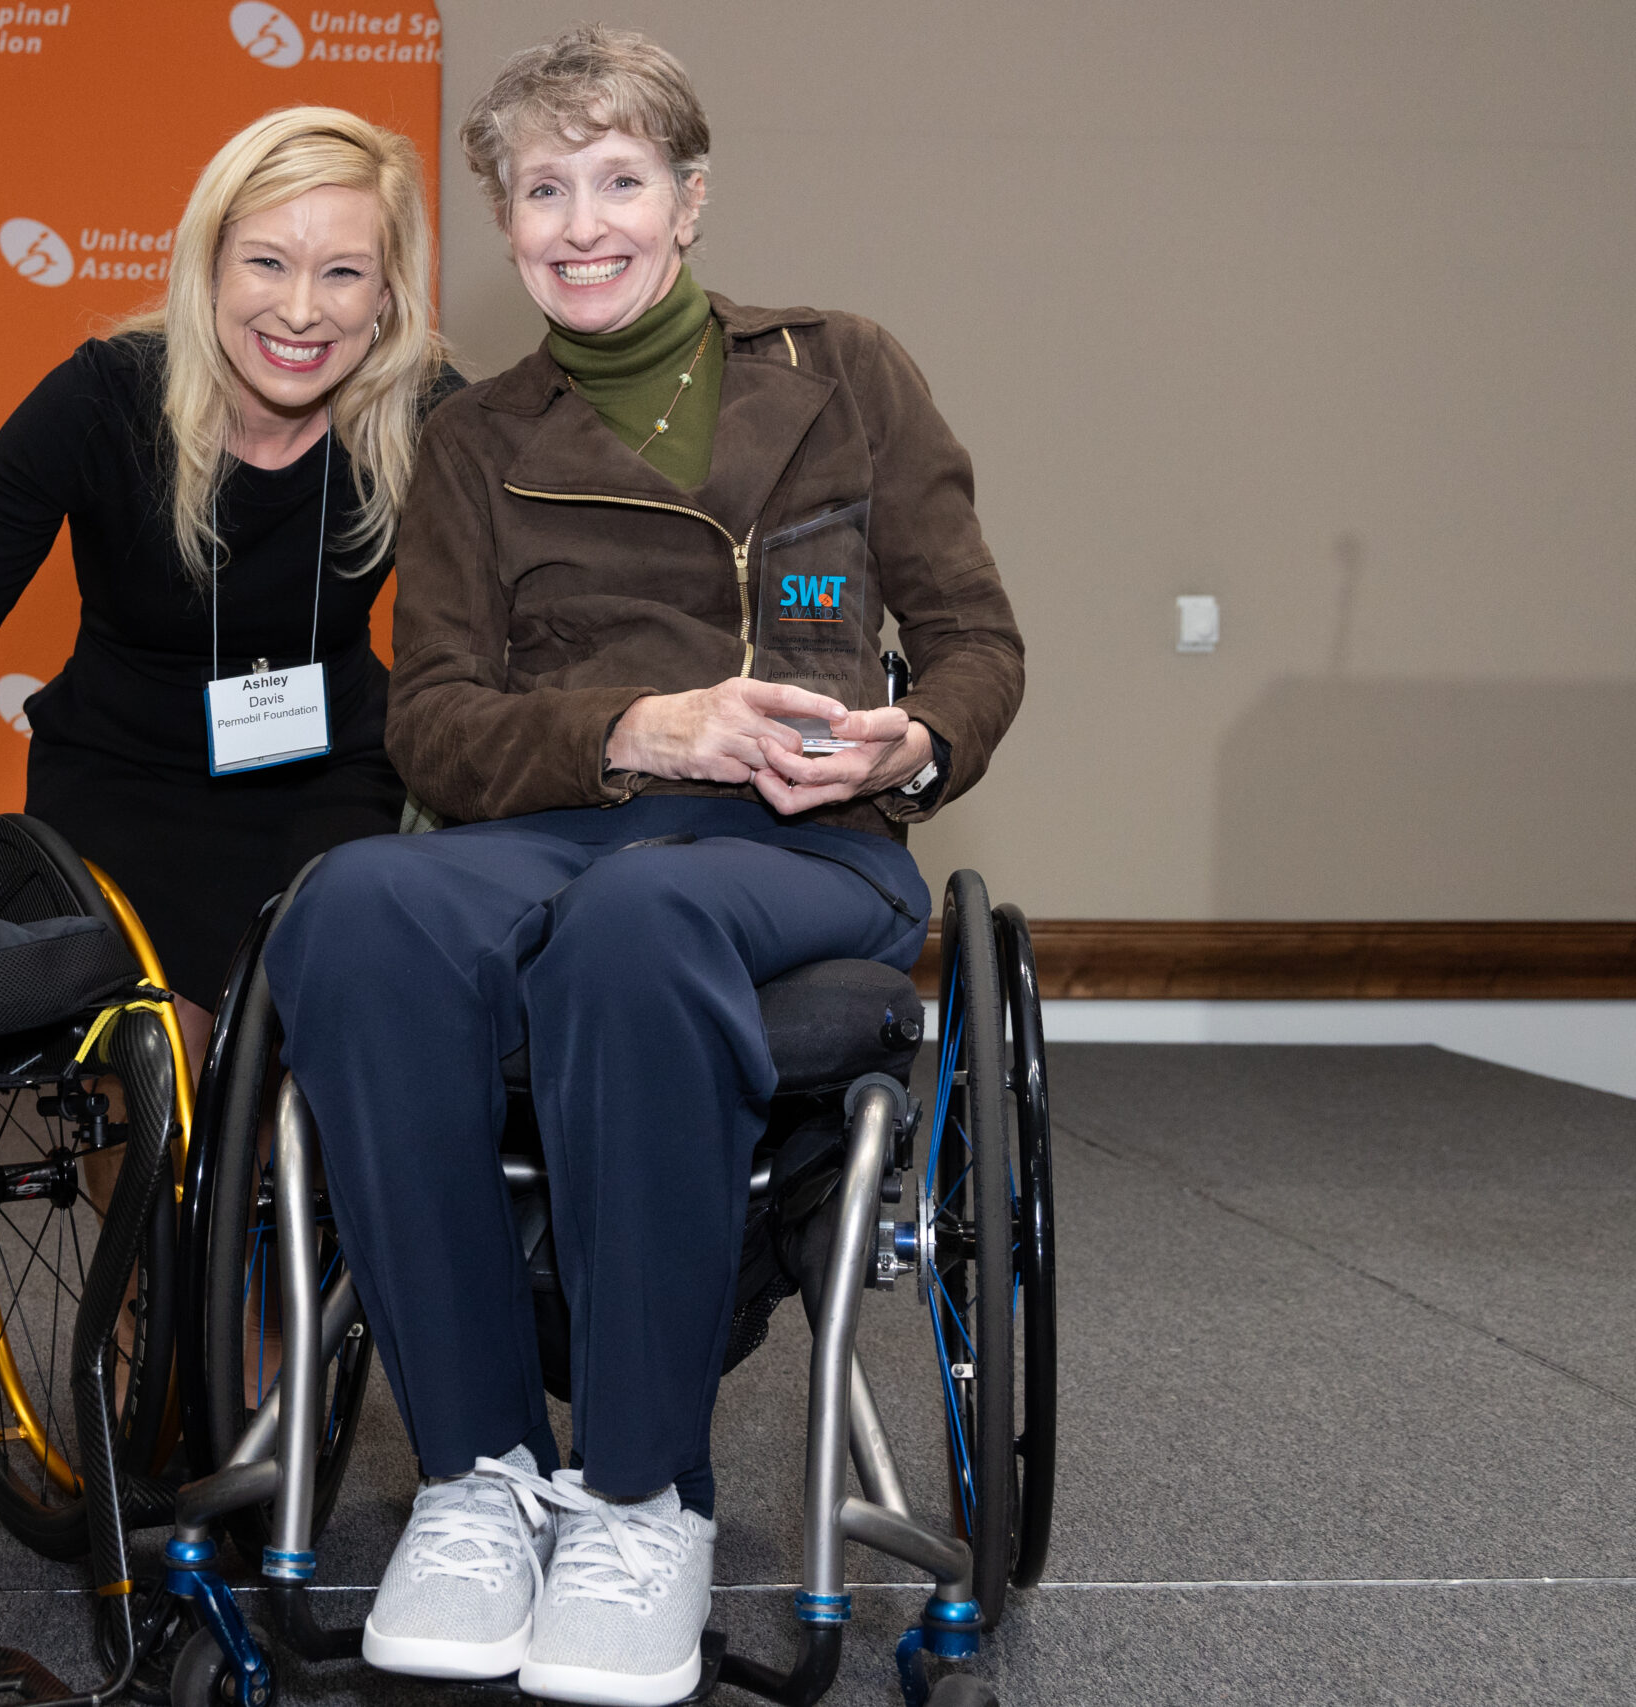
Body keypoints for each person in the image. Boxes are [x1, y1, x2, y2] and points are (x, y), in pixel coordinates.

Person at [262, 27, 1024, 1707]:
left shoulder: (848, 370)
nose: (582, 221)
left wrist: (918, 741)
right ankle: (477, 1477)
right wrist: (644, 726)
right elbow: (438, 726)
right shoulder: (476, 442)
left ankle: (642, 1498)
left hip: (802, 844)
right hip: (558, 814)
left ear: (688, 202)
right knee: (357, 904)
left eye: (620, 180)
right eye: (544, 188)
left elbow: (972, 638)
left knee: (638, 917)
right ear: (506, 219)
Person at [0, 107, 459, 1053]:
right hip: (121, 777)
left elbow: (507, 632)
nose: (300, 310)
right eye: (266, 263)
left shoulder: (429, 420)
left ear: (387, 296)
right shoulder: (103, 398)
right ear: (207, 264)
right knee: (165, 1059)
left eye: (342, 272)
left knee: (309, 1026)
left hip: (330, 776)